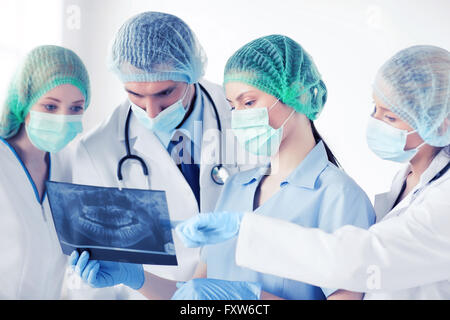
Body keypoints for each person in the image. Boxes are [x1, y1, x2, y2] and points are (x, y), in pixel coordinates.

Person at [70, 35, 376, 300]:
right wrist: (136, 277)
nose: (238, 116)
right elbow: (194, 295)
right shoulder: (236, 187)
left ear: (295, 94)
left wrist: (251, 300)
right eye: (232, 106)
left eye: (248, 102)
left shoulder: (341, 198)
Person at [175, 45, 450, 299]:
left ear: (440, 123)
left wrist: (250, 297)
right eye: (374, 109)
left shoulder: (344, 195)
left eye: (390, 117)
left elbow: (362, 258)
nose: (374, 123)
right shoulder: (407, 180)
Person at [67, 12, 259, 299]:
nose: (151, 111)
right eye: (135, 94)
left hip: (243, 293)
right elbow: (102, 268)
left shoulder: (243, 114)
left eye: (165, 92)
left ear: (192, 72)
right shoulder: (97, 151)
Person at [0, 45, 90, 299]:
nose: (63, 119)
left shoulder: (69, 166)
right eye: (50, 107)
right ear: (24, 102)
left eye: (75, 108)